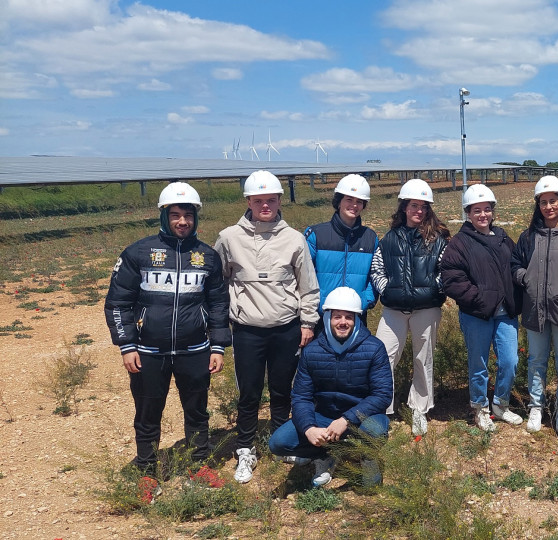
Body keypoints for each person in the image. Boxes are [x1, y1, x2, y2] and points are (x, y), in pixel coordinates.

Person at [105, 182, 230, 475]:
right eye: (175, 215)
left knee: (197, 412)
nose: (182, 221)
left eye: (188, 215)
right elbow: (118, 303)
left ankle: (200, 467)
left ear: (196, 217)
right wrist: (127, 345)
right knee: (148, 414)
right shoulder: (138, 253)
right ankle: (147, 471)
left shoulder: (207, 256)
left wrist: (218, 345)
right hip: (148, 352)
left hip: (195, 351)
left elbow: (218, 305)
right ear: (164, 215)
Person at [215, 170, 320, 484]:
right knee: (248, 393)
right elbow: (217, 282)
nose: (265, 205)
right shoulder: (228, 237)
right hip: (247, 330)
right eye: (258, 200)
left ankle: (279, 440)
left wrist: (308, 322)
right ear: (248, 201)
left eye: (270, 200)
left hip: (285, 328)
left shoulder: (294, 238)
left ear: (279, 201)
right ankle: (245, 447)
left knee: (281, 389)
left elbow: (308, 286)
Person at [268, 287, 392, 488]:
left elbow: (382, 394)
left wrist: (346, 419)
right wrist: (309, 428)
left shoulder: (374, 347)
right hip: (323, 415)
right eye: (337, 317)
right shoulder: (312, 351)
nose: (343, 322)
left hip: (362, 416)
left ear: (357, 319)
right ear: (327, 318)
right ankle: (326, 454)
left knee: (375, 430)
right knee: (279, 442)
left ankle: (367, 457)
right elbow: (301, 397)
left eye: (349, 317)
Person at [370, 179, 449, 435]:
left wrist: (434, 289)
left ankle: (419, 409)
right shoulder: (389, 239)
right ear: (404, 207)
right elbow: (377, 268)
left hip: (426, 309)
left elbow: (444, 269)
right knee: (383, 356)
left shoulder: (438, 239)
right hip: (393, 309)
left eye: (424, 207)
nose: (419, 211)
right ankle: (381, 409)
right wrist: (387, 290)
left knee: (422, 359)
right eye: (414, 205)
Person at [441, 184, 522, 432]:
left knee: (510, 361)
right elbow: (452, 280)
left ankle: (500, 404)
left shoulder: (503, 237)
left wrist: (515, 297)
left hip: (505, 313)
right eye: (477, 210)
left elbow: (515, 266)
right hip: (476, 314)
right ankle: (479, 408)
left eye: (487, 209)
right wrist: (480, 298)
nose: (483, 215)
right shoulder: (459, 243)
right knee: (479, 365)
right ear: (468, 213)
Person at [511, 176, 558, 433]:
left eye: (553, 201)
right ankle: (536, 406)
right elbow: (515, 265)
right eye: (543, 202)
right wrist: (526, 278)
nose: (548, 207)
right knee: (536, 360)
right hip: (534, 310)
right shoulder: (528, 236)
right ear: (538, 206)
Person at [305, 173, 378, 312]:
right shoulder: (316, 234)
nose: (354, 205)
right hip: (321, 313)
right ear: (339, 202)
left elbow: (374, 275)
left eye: (359, 201)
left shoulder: (370, 238)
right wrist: (317, 304)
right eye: (349, 199)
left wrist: (365, 300)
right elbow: (304, 275)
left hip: (356, 314)